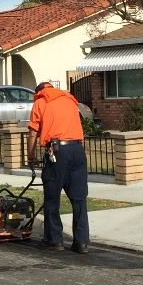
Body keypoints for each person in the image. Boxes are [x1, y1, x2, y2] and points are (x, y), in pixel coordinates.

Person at [26, 82, 89, 254]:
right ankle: (81, 242)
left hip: (57, 152)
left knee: (52, 198)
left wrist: (30, 157)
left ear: (39, 92)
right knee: (79, 199)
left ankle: (54, 240)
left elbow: (33, 132)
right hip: (77, 150)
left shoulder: (40, 102)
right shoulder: (69, 100)